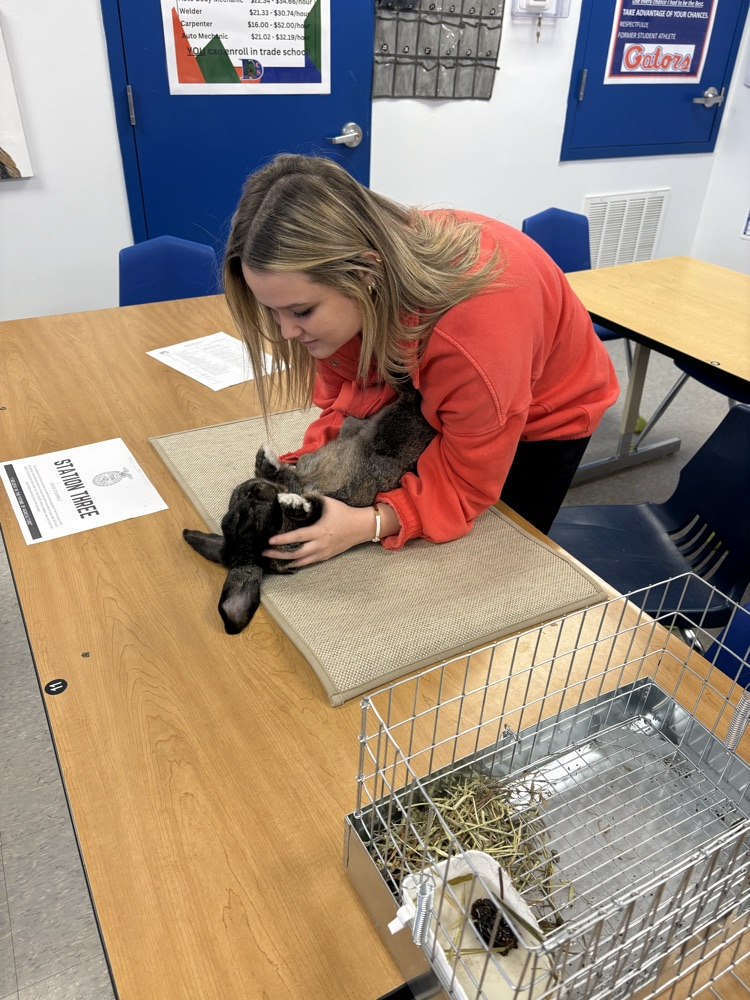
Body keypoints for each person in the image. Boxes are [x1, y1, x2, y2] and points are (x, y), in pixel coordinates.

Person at [222, 154, 619, 568]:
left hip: (544, 410)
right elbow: (350, 397)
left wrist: (366, 524)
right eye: (273, 311)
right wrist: (304, 472)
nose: (286, 332)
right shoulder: (354, 285)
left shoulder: (472, 337)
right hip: (451, 381)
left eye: (301, 311)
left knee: (493, 564)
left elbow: (468, 484)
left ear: (365, 273)